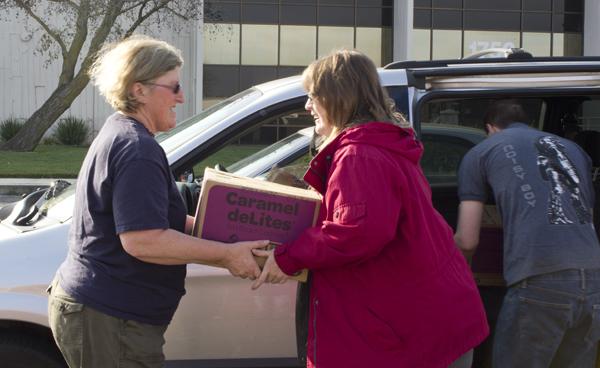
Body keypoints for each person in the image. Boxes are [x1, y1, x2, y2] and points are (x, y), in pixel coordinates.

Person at [252, 49, 489, 368]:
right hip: (421, 323)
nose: (308, 106)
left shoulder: (359, 155)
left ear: (336, 97)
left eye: (312, 96)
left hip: (403, 334)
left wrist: (287, 258)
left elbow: (357, 232)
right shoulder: (381, 147)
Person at [47, 35, 267, 368]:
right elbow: (143, 241)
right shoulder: (137, 149)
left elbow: (161, 221)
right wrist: (226, 255)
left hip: (105, 311)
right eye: (174, 87)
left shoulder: (123, 133)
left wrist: (233, 237)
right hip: (111, 318)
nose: (181, 97)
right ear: (139, 90)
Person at [454, 99, 600, 368]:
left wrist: (456, 285)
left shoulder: (482, 152)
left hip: (539, 281)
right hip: (593, 281)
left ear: (490, 128)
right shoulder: (573, 149)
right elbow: (583, 214)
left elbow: (467, 239)